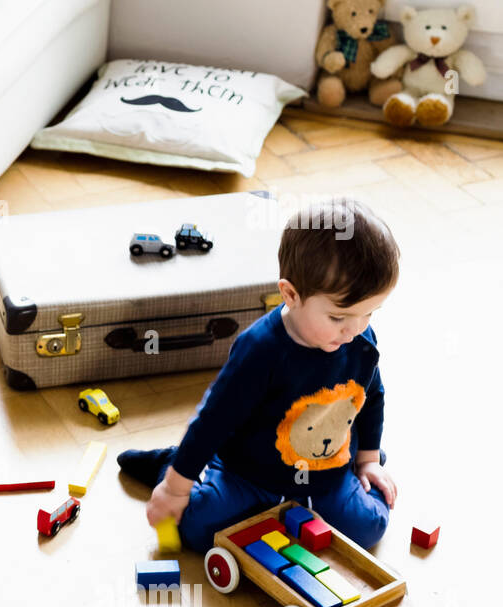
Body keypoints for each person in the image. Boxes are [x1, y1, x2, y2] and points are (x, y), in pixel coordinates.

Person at [117, 196, 399, 552]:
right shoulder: (261, 350)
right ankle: (170, 463)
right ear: (291, 294)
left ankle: (352, 466)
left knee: (371, 528)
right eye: (338, 317)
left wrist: (369, 460)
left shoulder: (359, 339)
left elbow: (371, 397)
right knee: (197, 530)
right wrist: (175, 488)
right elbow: (212, 421)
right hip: (248, 473)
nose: (354, 330)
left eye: (370, 313)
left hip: (326, 472)